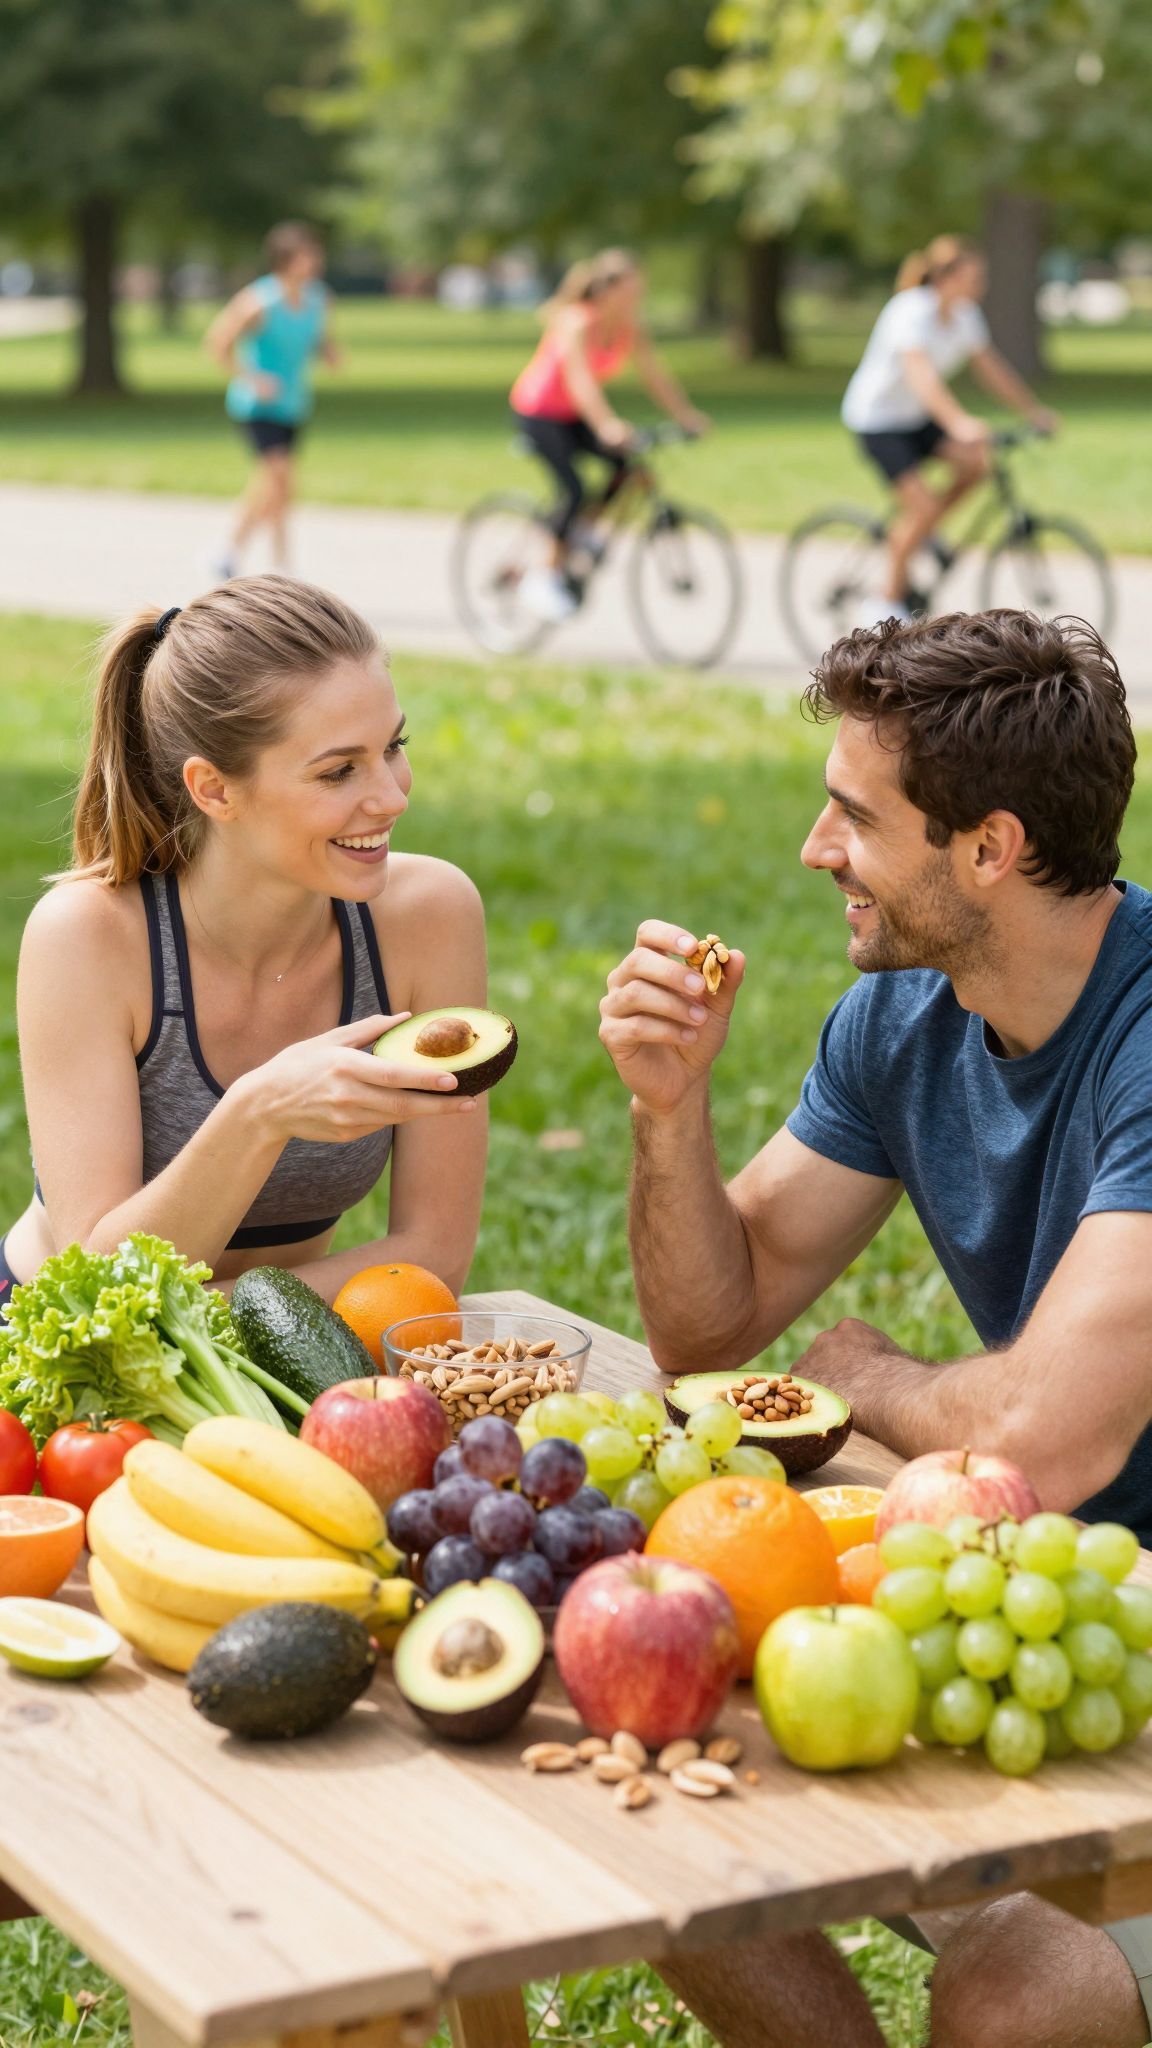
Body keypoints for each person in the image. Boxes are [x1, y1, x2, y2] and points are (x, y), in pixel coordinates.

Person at [600, 607, 1152, 2048]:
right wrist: (672, 1112)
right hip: (1029, 1592)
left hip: (1101, 1621)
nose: (814, 847)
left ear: (991, 849)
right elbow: (710, 1332)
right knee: (646, 1762)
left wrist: (867, 1376)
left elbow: (1051, 1442)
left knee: (1012, 2001)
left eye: (854, 815)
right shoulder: (910, 1012)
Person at [4, 575, 486, 1306]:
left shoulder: (429, 917)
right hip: (64, 1350)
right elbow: (101, 1290)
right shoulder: (90, 938)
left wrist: (222, 1323)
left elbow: (435, 1255)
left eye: (394, 746)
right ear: (214, 789)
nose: (392, 795)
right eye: (339, 770)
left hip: (294, 1343)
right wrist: (259, 1111)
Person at [841, 234, 1058, 620]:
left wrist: (1033, 411)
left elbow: (992, 369)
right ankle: (884, 601)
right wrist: (957, 421)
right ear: (945, 278)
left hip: (916, 420)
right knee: (921, 507)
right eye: (973, 278)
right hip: (878, 421)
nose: (980, 287)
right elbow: (921, 375)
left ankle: (919, 531)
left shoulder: (965, 316)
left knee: (977, 462)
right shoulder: (908, 311)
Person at [509, 248, 710, 622]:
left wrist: (686, 416)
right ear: (607, 291)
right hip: (539, 413)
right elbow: (579, 380)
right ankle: (543, 575)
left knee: (627, 468)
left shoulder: (629, 328)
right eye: (631, 293)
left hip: (573, 415)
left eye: (640, 294)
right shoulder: (575, 322)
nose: (636, 301)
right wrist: (606, 424)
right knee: (573, 489)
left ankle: (581, 532)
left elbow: (655, 375)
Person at [205, 223, 339, 581]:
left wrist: (329, 353)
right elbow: (217, 343)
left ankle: (228, 552)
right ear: (286, 259)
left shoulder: (319, 299)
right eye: (308, 253)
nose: (315, 260)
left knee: (273, 486)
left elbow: (319, 339)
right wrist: (251, 378)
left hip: (294, 405)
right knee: (279, 481)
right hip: (257, 406)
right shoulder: (258, 301)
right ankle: (282, 566)